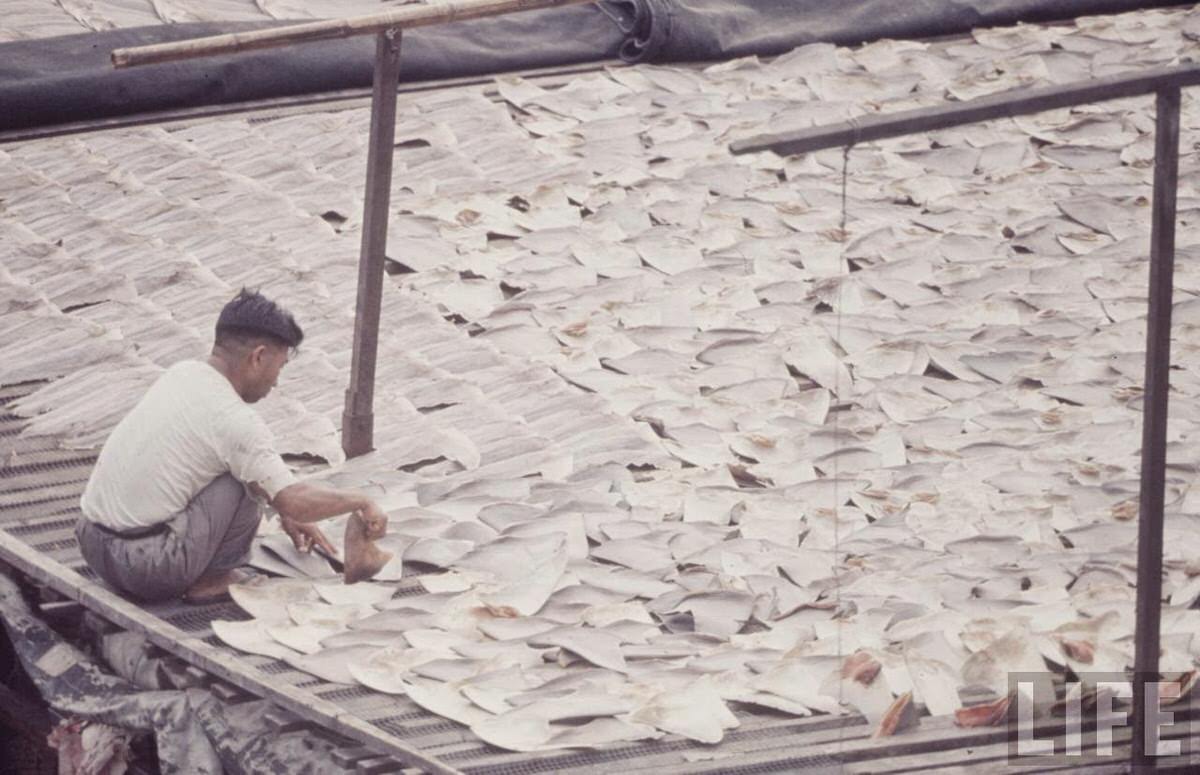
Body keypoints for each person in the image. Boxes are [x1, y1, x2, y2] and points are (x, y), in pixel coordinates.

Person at [75, 289, 388, 603]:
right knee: (242, 480)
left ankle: (198, 566)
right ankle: (213, 579)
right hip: (144, 568)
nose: (276, 382)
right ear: (258, 357)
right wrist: (360, 501)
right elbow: (291, 498)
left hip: (91, 542)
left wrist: (284, 509)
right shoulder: (235, 420)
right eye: (278, 369)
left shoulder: (182, 373)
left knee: (243, 468)